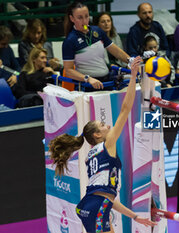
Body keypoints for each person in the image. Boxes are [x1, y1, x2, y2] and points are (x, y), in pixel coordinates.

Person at [48, 57, 156, 232]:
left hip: (91, 206)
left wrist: (136, 217)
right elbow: (125, 109)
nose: (108, 126)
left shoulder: (92, 155)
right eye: (103, 125)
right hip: (97, 207)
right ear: (97, 135)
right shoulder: (108, 144)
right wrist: (134, 74)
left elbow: (109, 199)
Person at [62, 1, 131, 90]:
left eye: (86, 16)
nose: (84, 21)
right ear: (72, 18)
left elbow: (116, 51)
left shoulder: (98, 31)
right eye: (80, 18)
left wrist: (131, 61)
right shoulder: (70, 41)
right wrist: (88, 79)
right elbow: (69, 71)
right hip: (88, 86)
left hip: (107, 81)